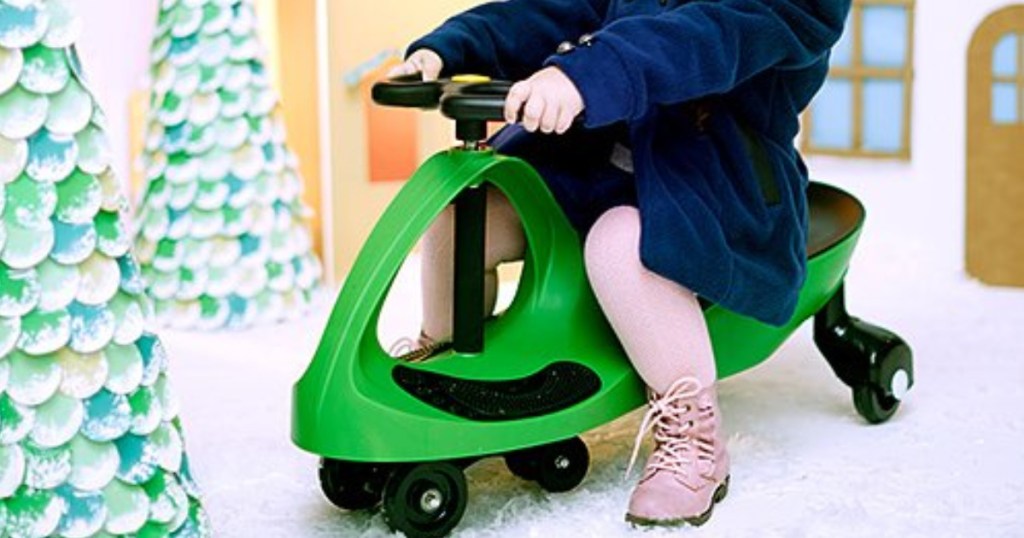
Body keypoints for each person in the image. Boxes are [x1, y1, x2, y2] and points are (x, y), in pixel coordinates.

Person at [387, 0, 851, 527]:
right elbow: (553, 10)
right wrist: (451, 46)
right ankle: (440, 369)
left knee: (621, 247)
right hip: (590, 160)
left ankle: (694, 435)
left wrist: (584, 74)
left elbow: (705, 37)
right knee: (468, 209)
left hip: (710, 182)